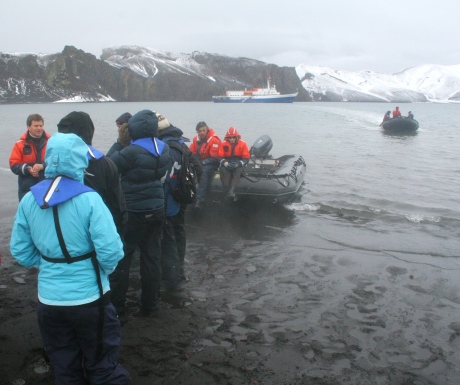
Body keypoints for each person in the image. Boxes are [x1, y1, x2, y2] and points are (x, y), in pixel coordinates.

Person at [10, 133, 130, 385]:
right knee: (102, 366)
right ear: (80, 161)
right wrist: (101, 271)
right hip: (90, 300)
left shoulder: (29, 200)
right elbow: (111, 251)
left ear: (49, 158)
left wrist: (47, 264)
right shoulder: (89, 199)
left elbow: (20, 250)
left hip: (50, 301)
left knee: (64, 366)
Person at [108, 109, 171, 317]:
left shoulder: (131, 152)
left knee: (122, 259)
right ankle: (150, 305)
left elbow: (109, 166)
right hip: (157, 208)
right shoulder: (164, 148)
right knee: (151, 258)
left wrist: (120, 141)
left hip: (134, 211)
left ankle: (118, 307)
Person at [57, 111, 127, 235]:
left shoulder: (51, 163)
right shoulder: (104, 164)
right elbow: (116, 205)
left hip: (61, 232)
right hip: (96, 229)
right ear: (89, 132)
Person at [157, 114, 202, 287]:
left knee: (168, 237)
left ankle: (172, 275)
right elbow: (198, 168)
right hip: (181, 197)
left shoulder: (166, 147)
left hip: (171, 199)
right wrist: (187, 188)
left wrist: (175, 188)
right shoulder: (182, 144)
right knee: (179, 231)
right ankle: (180, 265)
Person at [9, 114, 50, 201]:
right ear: (29, 127)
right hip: (27, 188)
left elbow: (57, 161)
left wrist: (42, 166)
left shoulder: (51, 142)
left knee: (47, 212)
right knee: (27, 212)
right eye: (36, 126)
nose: (39, 128)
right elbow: (14, 165)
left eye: (41, 125)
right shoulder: (19, 144)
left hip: (47, 186)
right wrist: (28, 169)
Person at [189, 121, 221, 209]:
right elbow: (191, 152)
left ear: (207, 129)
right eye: (200, 131)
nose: (202, 132)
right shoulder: (196, 139)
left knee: (203, 172)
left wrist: (201, 163)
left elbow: (214, 158)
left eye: (203, 130)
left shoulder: (214, 140)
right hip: (199, 162)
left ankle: (200, 199)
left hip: (211, 164)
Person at [218, 126, 250, 201]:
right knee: (223, 172)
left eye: (233, 137)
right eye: (230, 137)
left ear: (236, 137)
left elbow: (246, 158)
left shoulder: (243, 144)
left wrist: (238, 164)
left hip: (238, 163)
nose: (232, 139)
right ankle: (229, 191)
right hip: (227, 162)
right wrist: (226, 164)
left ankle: (232, 192)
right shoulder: (223, 144)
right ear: (228, 138)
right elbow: (220, 157)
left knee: (237, 172)